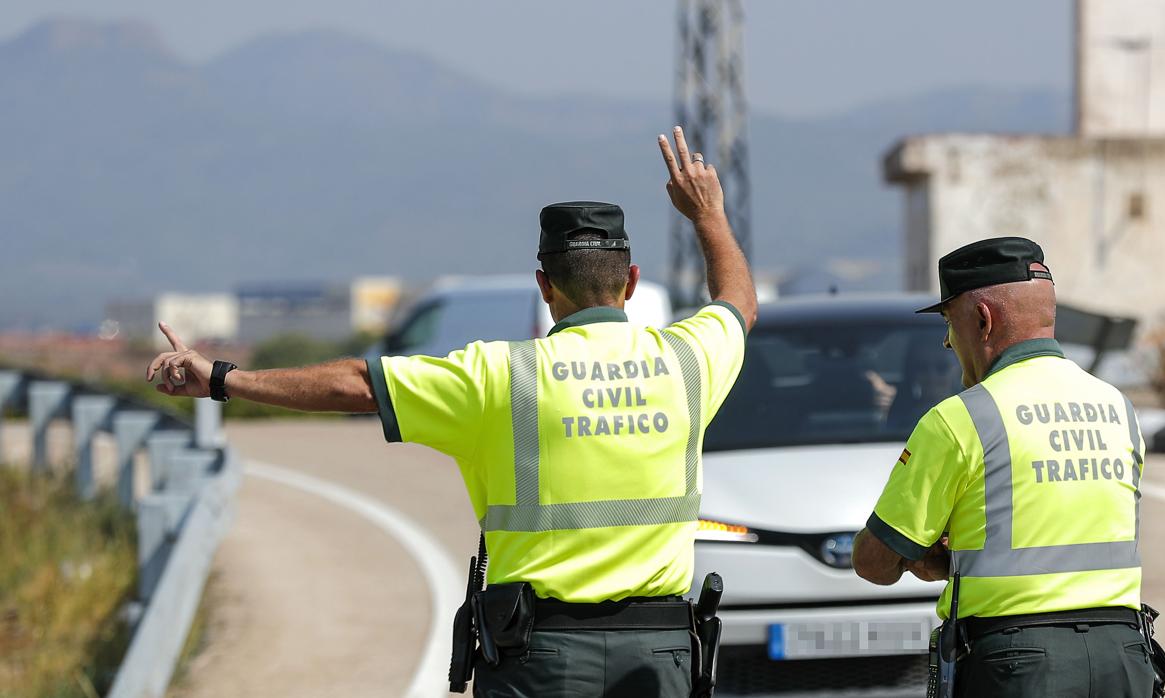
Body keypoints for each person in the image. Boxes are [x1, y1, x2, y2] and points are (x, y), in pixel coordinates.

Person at [146, 126, 757, 698]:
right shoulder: (688, 361)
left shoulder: (498, 375)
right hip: (659, 655)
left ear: (544, 286)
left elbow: (357, 384)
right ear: (631, 282)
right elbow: (737, 303)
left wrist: (224, 378)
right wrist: (708, 215)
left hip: (541, 657)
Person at [850, 237, 1160, 697]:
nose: (948, 341)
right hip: (1125, 657)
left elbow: (874, 563)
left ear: (982, 319)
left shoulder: (959, 418)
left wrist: (925, 556)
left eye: (949, 324)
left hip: (1018, 665)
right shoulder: (1119, 408)